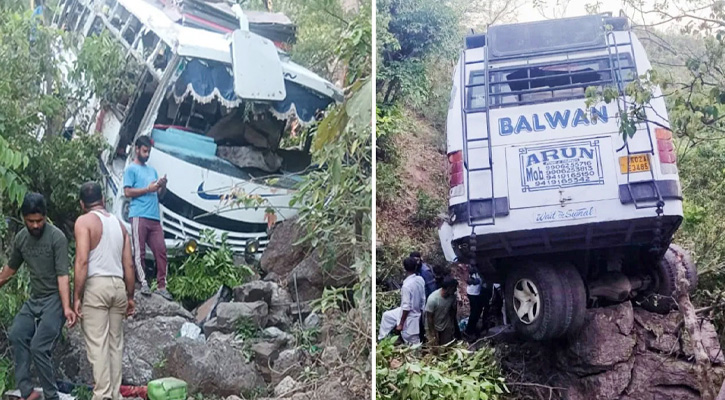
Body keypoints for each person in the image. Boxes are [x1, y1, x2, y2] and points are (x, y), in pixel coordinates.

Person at [0, 193, 75, 400]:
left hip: (54, 299)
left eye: (39, 221)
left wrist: (66, 307)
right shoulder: (21, 239)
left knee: (39, 347)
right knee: (17, 333)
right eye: (30, 221)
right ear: (24, 217)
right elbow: (10, 269)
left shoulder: (56, 237)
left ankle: (51, 396)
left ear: (45, 217)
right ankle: (27, 391)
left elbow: (63, 276)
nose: (35, 225)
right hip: (35, 300)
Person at [73, 182, 136, 400]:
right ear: (103, 200)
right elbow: (129, 265)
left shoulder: (84, 222)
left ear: (82, 204)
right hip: (118, 285)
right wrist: (130, 296)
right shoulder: (120, 225)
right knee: (115, 344)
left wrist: (76, 297)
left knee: (98, 344)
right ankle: (115, 394)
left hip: (96, 286)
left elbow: (82, 261)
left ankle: (102, 395)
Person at [123, 135, 172, 300]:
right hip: (138, 215)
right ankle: (143, 282)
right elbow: (127, 192)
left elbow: (159, 195)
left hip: (154, 216)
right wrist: (147, 189)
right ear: (137, 150)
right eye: (144, 151)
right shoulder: (131, 169)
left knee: (161, 250)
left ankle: (162, 285)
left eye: (149, 151)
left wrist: (161, 186)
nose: (147, 154)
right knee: (140, 252)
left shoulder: (152, 171)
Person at [377, 257, 426, 344]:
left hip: (410, 316)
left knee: (413, 342)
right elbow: (423, 299)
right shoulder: (420, 280)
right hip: (415, 310)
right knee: (387, 316)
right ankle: (382, 339)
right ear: (415, 267)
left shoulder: (406, 286)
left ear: (404, 268)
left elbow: (407, 307)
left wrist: (401, 324)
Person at [425, 276, 459, 347]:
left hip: (446, 324)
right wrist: (433, 333)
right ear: (449, 288)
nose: (455, 290)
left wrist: (452, 324)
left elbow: (452, 310)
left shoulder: (452, 297)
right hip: (433, 326)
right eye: (454, 288)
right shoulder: (433, 299)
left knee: (446, 346)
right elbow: (429, 318)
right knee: (434, 347)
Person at [464, 264, 493, 340]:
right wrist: (474, 281)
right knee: (474, 313)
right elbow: (469, 279)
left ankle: (472, 329)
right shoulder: (474, 269)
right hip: (473, 293)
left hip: (477, 292)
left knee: (477, 311)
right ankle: (469, 332)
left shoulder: (480, 270)